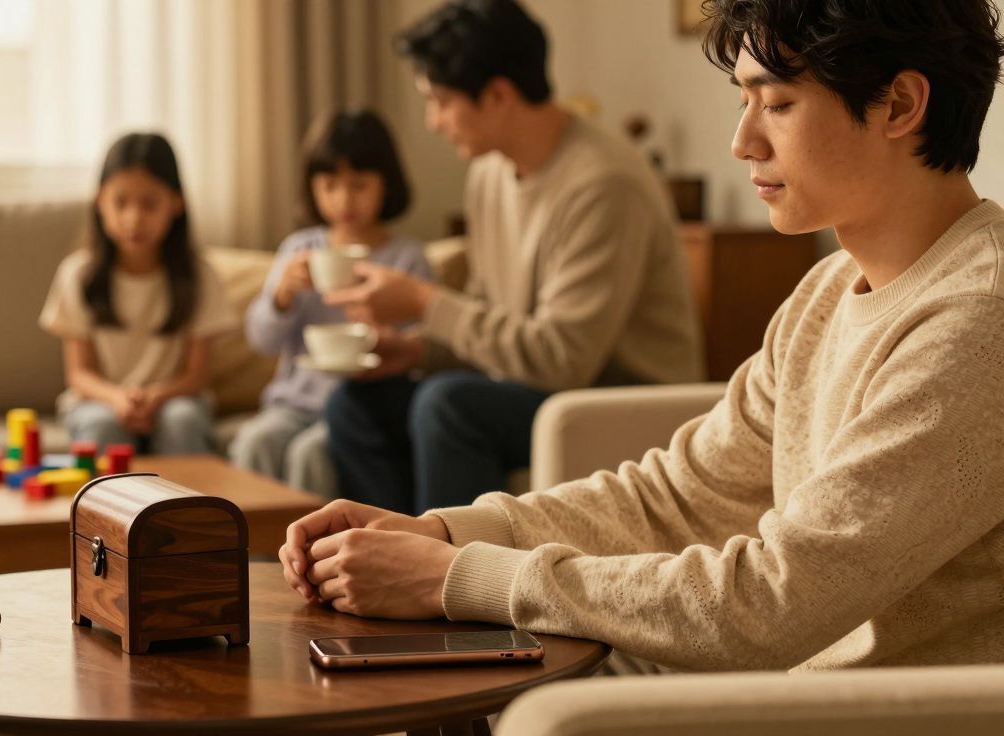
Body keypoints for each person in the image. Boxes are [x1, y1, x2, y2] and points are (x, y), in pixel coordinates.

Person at [281, 0, 1004, 673]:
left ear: (900, 105)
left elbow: (775, 600)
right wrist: (444, 535)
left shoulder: (976, 321)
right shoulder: (826, 289)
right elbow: (676, 498)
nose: (742, 141)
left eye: (778, 104)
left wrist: (458, 579)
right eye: (744, 102)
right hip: (783, 683)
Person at [321, 0, 703, 514]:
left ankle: (446, 563)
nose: (433, 122)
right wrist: (416, 352)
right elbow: (491, 321)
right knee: (354, 406)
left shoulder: (603, 184)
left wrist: (425, 302)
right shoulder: (490, 173)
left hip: (616, 403)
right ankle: (381, 549)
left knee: (449, 405)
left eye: (440, 102)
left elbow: (562, 360)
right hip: (541, 389)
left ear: (499, 95)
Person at [230, 108, 433, 498]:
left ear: (386, 184)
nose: (344, 199)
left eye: (359, 185)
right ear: (312, 188)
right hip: (292, 404)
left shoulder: (406, 259)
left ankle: (310, 540)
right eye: (330, 185)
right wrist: (281, 297)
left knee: (311, 454)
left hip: (361, 410)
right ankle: (253, 540)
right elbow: (261, 340)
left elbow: (421, 350)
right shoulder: (300, 250)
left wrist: (380, 330)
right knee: (256, 441)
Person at [40, 133, 236, 454]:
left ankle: (187, 492)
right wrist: (117, 398)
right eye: (121, 203)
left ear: (176, 202)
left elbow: (196, 376)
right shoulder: (78, 274)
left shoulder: (200, 276)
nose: (134, 218)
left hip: (176, 399)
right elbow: (79, 373)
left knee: (181, 420)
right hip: (99, 401)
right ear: (100, 201)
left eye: (149, 204)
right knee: (102, 425)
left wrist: (156, 397)